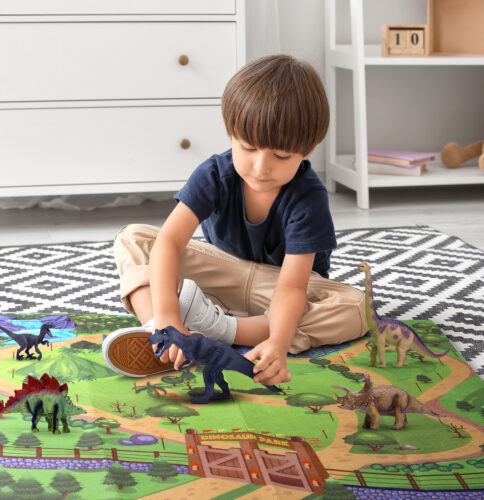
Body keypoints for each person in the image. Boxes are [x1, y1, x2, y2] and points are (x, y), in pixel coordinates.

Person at [102, 54, 367, 386]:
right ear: (231, 133)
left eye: (281, 156)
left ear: (309, 149)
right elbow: (169, 242)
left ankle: (217, 331)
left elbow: (292, 287)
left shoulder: (308, 197)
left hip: (278, 290)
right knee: (134, 239)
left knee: (355, 306)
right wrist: (168, 314)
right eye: (249, 148)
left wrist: (279, 343)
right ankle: (160, 330)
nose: (260, 167)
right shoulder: (214, 174)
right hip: (222, 275)